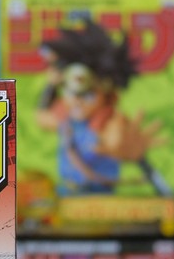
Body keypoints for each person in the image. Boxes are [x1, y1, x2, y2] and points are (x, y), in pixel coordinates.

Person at [36, 19, 166, 195]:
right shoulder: (67, 121)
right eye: (71, 93)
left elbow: (116, 140)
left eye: (88, 96)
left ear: (107, 95)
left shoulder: (108, 122)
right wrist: (50, 86)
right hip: (66, 194)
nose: (77, 102)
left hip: (99, 197)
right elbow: (42, 117)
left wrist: (132, 152)